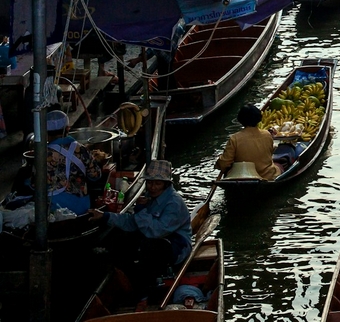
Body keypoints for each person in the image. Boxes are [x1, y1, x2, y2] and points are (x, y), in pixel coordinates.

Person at [89, 160, 192, 300]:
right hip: (153, 237)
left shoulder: (174, 203)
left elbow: (156, 231)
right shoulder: (150, 197)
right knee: (121, 238)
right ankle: (130, 280)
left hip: (176, 245)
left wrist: (141, 210)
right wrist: (105, 216)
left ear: (166, 184)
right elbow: (132, 222)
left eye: (157, 183)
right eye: (150, 183)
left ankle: (148, 289)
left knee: (150, 248)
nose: (153, 187)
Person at [43, 108, 102, 215]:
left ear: (46, 131)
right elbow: (95, 175)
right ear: (68, 128)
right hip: (80, 207)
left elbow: (34, 184)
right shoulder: (81, 149)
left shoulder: (43, 153)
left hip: (53, 208)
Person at [215, 104, 281, 181]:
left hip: (242, 178)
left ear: (240, 120)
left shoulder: (234, 138)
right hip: (267, 176)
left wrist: (219, 163)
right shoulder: (267, 134)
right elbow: (269, 152)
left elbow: (224, 163)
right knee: (279, 166)